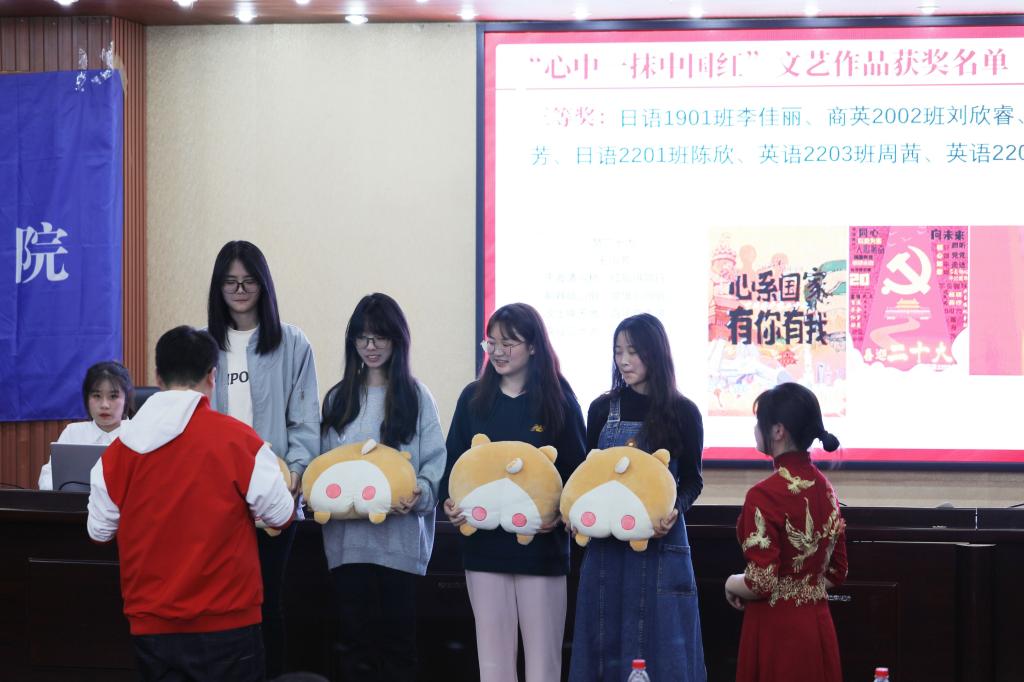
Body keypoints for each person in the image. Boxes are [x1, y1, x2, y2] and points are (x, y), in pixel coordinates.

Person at [86, 325, 295, 682]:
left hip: (151, 626)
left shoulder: (117, 452)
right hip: (228, 622)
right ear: (212, 376)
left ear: (158, 377)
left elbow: (99, 531)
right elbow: (281, 514)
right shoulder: (239, 439)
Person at [440, 302, 586, 682]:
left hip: (541, 551)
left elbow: (577, 473)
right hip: (484, 549)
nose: (498, 352)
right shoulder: (474, 399)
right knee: (493, 665)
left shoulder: (558, 400)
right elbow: (452, 466)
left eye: (509, 343)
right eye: (491, 343)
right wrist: (449, 504)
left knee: (543, 664)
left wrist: (560, 515)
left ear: (534, 346)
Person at [569, 313, 706, 682]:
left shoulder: (683, 412)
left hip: (661, 543)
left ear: (655, 353)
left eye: (633, 352)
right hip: (606, 545)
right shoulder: (602, 409)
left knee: (663, 642)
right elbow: (587, 475)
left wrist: (674, 510)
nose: (624, 361)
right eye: (618, 352)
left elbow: (692, 481)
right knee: (604, 638)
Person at [207, 240, 320, 677]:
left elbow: (305, 420)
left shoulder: (291, 343)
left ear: (264, 285)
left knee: (267, 600)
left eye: (248, 281)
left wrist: (295, 475)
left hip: (273, 493)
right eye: (230, 282)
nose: (239, 290)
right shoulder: (204, 344)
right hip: (216, 497)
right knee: (219, 602)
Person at [319, 293, 446, 681]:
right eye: (362, 337)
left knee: (399, 648)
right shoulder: (338, 398)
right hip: (347, 546)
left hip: (399, 546)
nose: (370, 346)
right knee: (354, 647)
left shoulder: (416, 397)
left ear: (397, 340)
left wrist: (420, 492)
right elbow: (324, 469)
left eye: (380, 337)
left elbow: (434, 464)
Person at [724, 382, 848, 682]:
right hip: (817, 626)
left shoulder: (764, 494)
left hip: (776, 630)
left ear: (778, 430)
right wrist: (803, 589)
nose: (756, 429)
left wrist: (731, 582)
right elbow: (837, 572)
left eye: (760, 422)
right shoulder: (826, 489)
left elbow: (761, 582)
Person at [39, 361, 135, 490]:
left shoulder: (140, 434)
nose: (104, 405)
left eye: (113, 396)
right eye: (97, 396)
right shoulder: (73, 432)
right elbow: (48, 478)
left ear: (126, 399)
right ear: (87, 399)